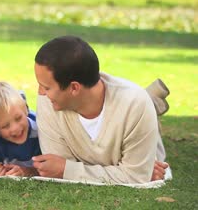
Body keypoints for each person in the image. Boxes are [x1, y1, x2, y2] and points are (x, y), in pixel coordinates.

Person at [32, 36, 170, 184]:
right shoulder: (48, 101)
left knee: (139, 106)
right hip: (130, 114)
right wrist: (122, 171)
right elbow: (56, 167)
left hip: (135, 108)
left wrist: (68, 170)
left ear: (74, 88)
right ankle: (152, 103)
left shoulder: (135, 104)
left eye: (46, 87)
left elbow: (135, 177)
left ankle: (151, 105)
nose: (40, 92)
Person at [0, 82, 40, 177]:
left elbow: (49, 167)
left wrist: (28, 171)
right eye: (5, 126)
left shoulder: (40, 130)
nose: (15, 128)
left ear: (26, 109)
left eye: (18, 118)